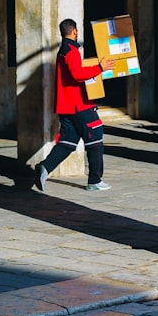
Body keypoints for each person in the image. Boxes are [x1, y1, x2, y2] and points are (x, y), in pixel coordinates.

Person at [32, 18, 116, 192]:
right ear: (75, 31)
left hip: (66, 107)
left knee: (68, 142)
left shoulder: (63, 51)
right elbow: (77, 74)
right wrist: (100, 68)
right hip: (79, 105)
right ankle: (94, 180)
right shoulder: (70, 51)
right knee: (96, 137)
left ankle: (45, 168)